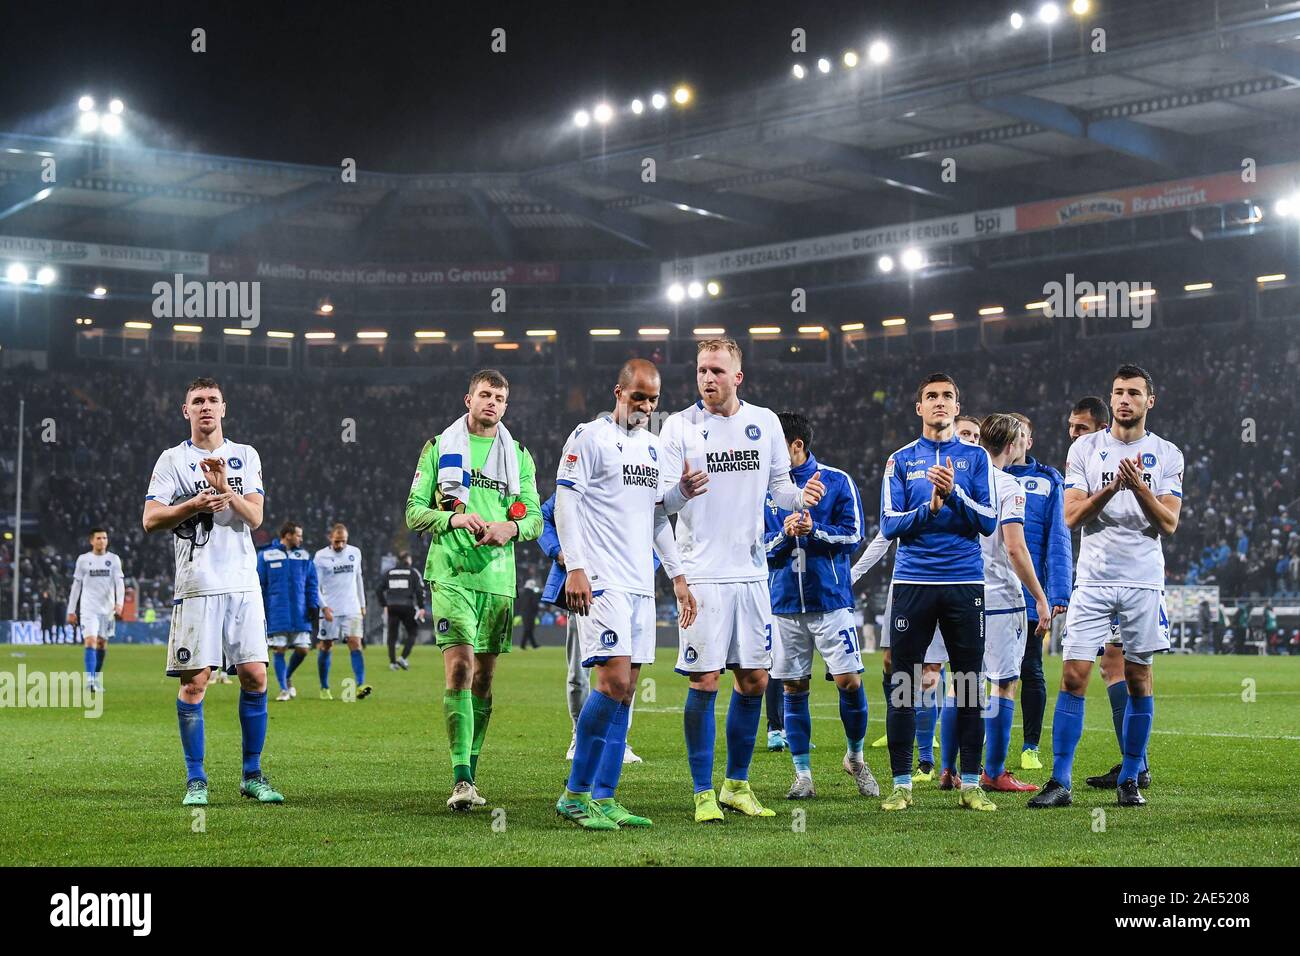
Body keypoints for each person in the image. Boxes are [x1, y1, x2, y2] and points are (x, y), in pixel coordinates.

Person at [657, 337, 824, 823]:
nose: (707, 379)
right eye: (701, 370)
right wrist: (680, 492)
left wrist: (802, 500)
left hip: (752, 574)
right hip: (703, 575)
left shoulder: (765, 422)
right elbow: (659, 503)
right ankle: (702, 792)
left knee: (753, 681)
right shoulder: (678, 427)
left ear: (738, 377)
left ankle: (736, 784)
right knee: (705, 681)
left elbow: (779, 490)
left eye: (716, 370)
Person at [1030, 365, 1182, 809]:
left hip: (1142, 580)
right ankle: (1060, 781)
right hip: (1093, 580)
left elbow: (1168, 523)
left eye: (1134, 393)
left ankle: (1131, 778)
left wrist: (1139, 490)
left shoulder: (1168, 454)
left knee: (1138, 677)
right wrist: (1115, 486)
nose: (1124, 399)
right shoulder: (1085, 448)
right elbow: (1073, 516)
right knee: (1074, 675)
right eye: (1118, 392)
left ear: (1149, 401)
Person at [553, 359, 696, 830]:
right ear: (619, 391)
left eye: (653, 400)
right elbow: (566, 503)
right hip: (603, 579)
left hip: (639, 583)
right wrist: (576, 567)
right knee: (611, 683)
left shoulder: (654, 450)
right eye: (639, 397)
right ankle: (574, 795)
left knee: (627, 691)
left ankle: (606, 796)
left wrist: (676, 574)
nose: (646, 406)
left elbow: (656, 515)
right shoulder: (588, 437)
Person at [405, 368, 542, 811]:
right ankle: (461, 779)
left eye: (500, 398)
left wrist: (510, 527)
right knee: (460, 668)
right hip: (450, 573)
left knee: (483, 678)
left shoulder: (519, 454)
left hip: (498, 581)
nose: (493, 403)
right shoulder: (438, 447)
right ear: (468, 399)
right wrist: (454, 519)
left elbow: (536, 520)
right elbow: (413, 513)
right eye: (485, 395)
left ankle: (472, 770)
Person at [142, 376, 282, 806]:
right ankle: (196, 780)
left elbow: (256, 518)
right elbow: (150, 520)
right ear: (186, 411)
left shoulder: (245, 456)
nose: (206, 407)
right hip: (198, 585)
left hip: (242, 582)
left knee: (255, 675)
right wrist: (194, 505)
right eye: (198, 401)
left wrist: (224, 491)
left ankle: (252, 775)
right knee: (196, 683)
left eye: (213, 400)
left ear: (224, 409)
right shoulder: (171, 460)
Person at [878, 372, 997, 811]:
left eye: (948, 395)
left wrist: (955, 495)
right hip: (913, 581)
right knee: (905, 684)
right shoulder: (900, 461)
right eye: (931, 396)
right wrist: (930, 507)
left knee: (968, 683)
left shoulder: (977, 458)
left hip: (965, 581)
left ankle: (970, 784)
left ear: (958, 405)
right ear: (919, 407)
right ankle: (902, 785)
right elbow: (889, 524)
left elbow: (987, 520)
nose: (940, 402)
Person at [763, 411, 877, 800]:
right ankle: (803, 775)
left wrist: (817, 532)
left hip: (830, 602)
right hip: (784, 604)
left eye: (777, 447)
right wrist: (783, 534)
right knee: (794, 688)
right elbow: (755, 546)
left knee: (850, 681)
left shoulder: (836, 480)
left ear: (796, 446)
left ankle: (856, 758)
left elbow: (855, 535)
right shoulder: (763, 489)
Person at [968, 414, 1051, 793]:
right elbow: (1016, 548)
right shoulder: (1009, 486)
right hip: (1000, 597)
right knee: (1003, 685)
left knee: (964, 684)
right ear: (1014, 442)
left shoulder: (962, 479)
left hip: (963, 594)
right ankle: (994, 772)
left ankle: (953, 771)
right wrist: (1040, 595)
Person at [539, 492, 643, 764]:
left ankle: (618, 741)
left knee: (626, 673)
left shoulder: (634, 473)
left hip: (626, 586)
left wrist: (644, 566)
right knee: (579, 671)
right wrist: (562, 554)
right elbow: (542, 516)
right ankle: (578, 736)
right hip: (586, 586)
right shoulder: (582, 479)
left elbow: (652, 524)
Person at [1004, 412, 1072, 770]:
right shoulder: (983, 474)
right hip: (982, 590)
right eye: (1009, 434)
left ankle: (1030, 746)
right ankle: (975, 748)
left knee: (1030, 668)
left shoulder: (1047, 481)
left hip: (1029, 595)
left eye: (1022, 436)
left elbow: (1058, 539)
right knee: (971, 673)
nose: (1015, 441)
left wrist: (1058, 593)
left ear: (1029, 441)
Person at [259, 521, 319, 702]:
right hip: (276, 611)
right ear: (287, 535)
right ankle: (284, 689)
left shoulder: (304, 556)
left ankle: (287, 675)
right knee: (279, 649)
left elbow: (311, 583)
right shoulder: (266, 555)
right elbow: (260, 584)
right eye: (298, 535)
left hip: (300, 611)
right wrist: (260, 610)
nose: (301, 538)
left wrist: (313, 605)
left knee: (303, 650)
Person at [314, 524, 370, 701]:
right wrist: (323, 607)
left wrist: (362, 604)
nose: (340, 545)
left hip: (352, 608)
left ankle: (360, 684)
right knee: (326, 645)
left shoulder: (355, 552)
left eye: (343, 542)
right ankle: (324, 687)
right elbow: (315, 586)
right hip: (331, 609)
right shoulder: (321, 556)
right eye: (337, 542)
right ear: (330, 538)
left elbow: (358, 578)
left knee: (355, 643)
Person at [66, 527, 124, 692]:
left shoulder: (114, 559)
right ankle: (90, 681)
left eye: (104, 538)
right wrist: (71, 610)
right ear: (91, 541)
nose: (102, 541)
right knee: (90, 640)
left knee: (101, 643)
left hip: (107, 609)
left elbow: (119, 583)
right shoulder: (83, 560)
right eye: (98, 538)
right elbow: (76, 586)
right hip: (88, 608)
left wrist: (119, 604)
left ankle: (96, 678)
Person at [378, 551, 426, 670]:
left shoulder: (389, 573)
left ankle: (393, 663)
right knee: (412, 632)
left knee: (392, 636)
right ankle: (403, 658)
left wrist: (384, 604)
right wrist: (421, 607)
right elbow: (420, 591)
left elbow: (378, 590)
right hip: (407, 606)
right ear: (408, 560)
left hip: (392, 606)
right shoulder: (413, 572)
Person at [516, 579, 541, 650]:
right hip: (530, 614)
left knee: (528, 629)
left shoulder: (522, 594)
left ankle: (531, 645)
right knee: (528, 629)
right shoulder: (532, 594)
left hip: (524, 614)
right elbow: (534, 605)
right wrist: (536, 611)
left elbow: (518, 604)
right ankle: (525, 645)